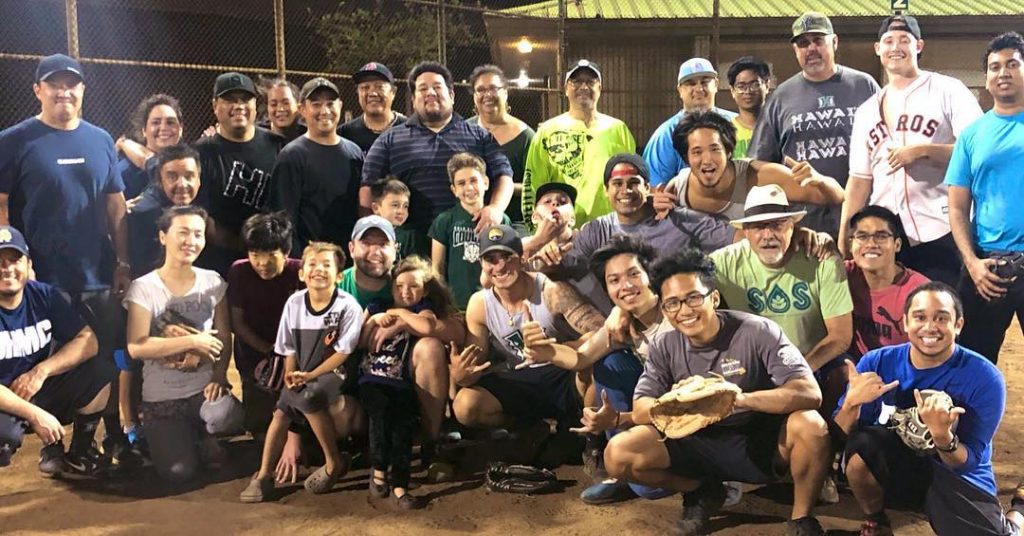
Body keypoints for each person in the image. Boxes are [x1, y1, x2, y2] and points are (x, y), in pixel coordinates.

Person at [603, 248, 831, 536]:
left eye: (693, 298)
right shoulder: (665, 344)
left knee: (811, 424)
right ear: (664, 309)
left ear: (714, 297)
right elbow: (641, 407)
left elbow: (810, 392)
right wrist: (681, 401)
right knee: (618, 453)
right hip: (696, 440)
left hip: (754, 441)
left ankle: (802, 519)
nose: (684, 311)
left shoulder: (758, 331)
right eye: (672, 303)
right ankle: (702, 492)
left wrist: (738, 399)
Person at [0, 52, 131, 464]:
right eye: (54, 84)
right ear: (38, 90)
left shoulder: (100, 139)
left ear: (81, 90)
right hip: (43, 279)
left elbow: (116, 206)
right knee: (45, 364)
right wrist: (22, 268)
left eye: (71, 84)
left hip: (96, 275)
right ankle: (50, 448)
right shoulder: (15, 139)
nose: (63, 91)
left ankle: (96, 442)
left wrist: (123, 261)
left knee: (106, 356)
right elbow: (0, 207)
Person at [835, 282, 1022, 536]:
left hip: (953, 473)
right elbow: (841, 437)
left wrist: (943, 437)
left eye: (941, 318)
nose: (929, 327)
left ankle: (1019, 509)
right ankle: (877, 520)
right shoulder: (876, 362)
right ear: (904, 323)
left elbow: (967, 462)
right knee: (860, 447)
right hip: (900, 465)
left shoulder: (986, 377)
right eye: (920, 317)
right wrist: (851, 403)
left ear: (958, 325)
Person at [518, 235, 674, 504]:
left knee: (650, 489)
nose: (625, 286)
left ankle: (706, 477)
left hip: (687, 410)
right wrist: (546, 350)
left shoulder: (676, 315)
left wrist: (622, 419)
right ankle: (622, 470)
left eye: (633, 275)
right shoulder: (620, 323)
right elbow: (580, 358)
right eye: (614, 280)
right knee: (608, 362)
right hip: (655, 407)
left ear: (651, 275)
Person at [840, 15, 983, 287]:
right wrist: (845, 233)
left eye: (904, 40)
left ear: (919, 45)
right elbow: (859, 180)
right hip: (886, 235)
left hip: (941, 227)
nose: (896, 47)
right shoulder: (867, 110)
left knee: (944, 312)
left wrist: (924, 150)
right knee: (891, 317)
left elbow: (978, 148)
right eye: (889, 41)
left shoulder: (946, 89)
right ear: (877, 49)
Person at [452, 225, 605, 455]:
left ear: (522, 258)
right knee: (465, 405)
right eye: (491, 259)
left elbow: (602, 332)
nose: (500, 266)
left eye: (507, 257)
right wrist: (462, 375)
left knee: (595, 364)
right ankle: (526, 428)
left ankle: (592, 442)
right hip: (520, 378)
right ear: (482, 265)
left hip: (562, 374)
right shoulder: (479, 304)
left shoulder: (550, 290)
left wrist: (556, 349)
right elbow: (476, 360)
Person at [710, 185, 853, 416]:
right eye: (758, 226)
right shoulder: (723, 263)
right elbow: (682, 281)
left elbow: (841, 336)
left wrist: (797, 374)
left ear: (792, 226)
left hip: (813, 359)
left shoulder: (821, 257)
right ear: (745, 231)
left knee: (844, 374)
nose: (768, 235)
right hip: (754, 366)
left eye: (777, 225)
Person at [123, 206, 240, 483]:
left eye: (198, 234)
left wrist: (220, 375)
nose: (191, 241)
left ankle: (204, 434)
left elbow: (224, 337)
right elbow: (136, 346)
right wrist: (193, 340)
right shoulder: (144, 287)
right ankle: (189, 440)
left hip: (202, 390)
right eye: (183, 232)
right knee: (178, 473)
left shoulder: (212, 281)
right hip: (161, 396)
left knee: (226, 416)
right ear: (163, 237)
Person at [240, 242, 363, 502]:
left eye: (327, 265)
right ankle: (263, 475)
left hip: (335, 374)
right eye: (312, 264)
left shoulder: (347, 306)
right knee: (282, 409)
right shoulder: (294, 303)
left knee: (306, 397)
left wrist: (307, 376)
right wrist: (290, 375)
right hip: (302, 374)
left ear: (339, 275)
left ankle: (332, 463)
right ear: (301, 272)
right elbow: (288, 348)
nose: (319, 270)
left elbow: (342, 354)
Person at [749, 12, 880, 236]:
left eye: (818, 40)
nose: (811, 49)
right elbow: (760, 165)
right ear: (795, 50)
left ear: (834, 42)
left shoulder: (863, 86)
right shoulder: (781, 98)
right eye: (803, 43)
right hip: (804, 225)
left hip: (861, 218)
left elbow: (886, 147)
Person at [340, 216, 456, 464]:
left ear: (395, 249)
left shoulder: (407, 281)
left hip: (404, 378)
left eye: (383, 244)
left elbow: (453, 331)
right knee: (340, 420)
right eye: (367, 243)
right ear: (351, 248)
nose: (375, 251)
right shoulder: (337, 285)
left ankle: (430, 441)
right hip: (357, 377)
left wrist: (402, 319)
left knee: (430, 346)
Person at [359, 61, 513, 242]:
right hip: (412, 244)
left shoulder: (480, 136)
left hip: (469, 240)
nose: (430, 93)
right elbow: (368, 187)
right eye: (423, 89)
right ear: (413, 100)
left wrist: (495, 208)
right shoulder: (389, 140)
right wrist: (372, 233)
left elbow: (504, 175)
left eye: (437, 87)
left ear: (452, 95)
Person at [0, 226, 110, 476]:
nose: (7, 268)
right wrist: (34, 414)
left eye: (14, 259)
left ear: (28, 265)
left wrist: (41, 371)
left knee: (100, 370)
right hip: (4, 399)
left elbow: (88, 340)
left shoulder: (43, 295)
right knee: (3, 438)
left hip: (34, 386)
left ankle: (78, 454)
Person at [945, 31, 1024, 364]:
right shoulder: (972, 134)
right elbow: (957, 206)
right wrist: (971, 263)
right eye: (994, 67)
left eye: (1012, 64)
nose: (1002, 72)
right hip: (988, 266)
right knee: (971, 362)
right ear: (987, 78)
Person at [534, 154, 735, 281]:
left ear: (647, 187)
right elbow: (567, 270)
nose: (625, 190)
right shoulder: (597, 230)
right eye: (617, 184)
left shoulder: (678, 219)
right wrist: (548, 263)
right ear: (606, 190)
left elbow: (738, 240)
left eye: (633, 183)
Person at [359, 256, 459, 509]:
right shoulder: (376, 306)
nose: (406, 292)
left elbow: (427, 326)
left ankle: (423, 452)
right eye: (399, 286)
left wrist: (399, 316)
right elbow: (357, 339)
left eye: (413, 286)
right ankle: (379, 469)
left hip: (402, 382)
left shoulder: (421, 309)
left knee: (401, 415)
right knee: (381, 412)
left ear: (425, 289)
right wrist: (375, 319)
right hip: (371, 379)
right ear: (391, 287)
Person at [657, 110, 845, 221]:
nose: (707, 160)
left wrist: (820, 181)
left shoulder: (761, 176)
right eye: (697, 152)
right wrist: (652, 205)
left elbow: (836, 197)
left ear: (729, 151)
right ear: (686, 158)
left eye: (715, 149)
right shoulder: (678, 187)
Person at [522, 59, 636, 228]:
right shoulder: (547, 131)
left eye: (591, 82)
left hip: (611, 229)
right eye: (576, 81)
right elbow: (533, 186)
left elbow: (633, 179)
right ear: (566, 88)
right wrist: (537, 234)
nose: (584, 87)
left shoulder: (618, 129)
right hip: (562, 232)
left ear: (600, 88)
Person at [194, 71, 285, 276]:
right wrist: (246, 247)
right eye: (229, 100)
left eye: (245, 99)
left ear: (255, 105)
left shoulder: (278, 146)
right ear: (215, 105)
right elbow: (202, 216)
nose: (238, 106)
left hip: (271, 259)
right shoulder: (202, 153)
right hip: (220, 263)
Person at [228, 213, 302, 437]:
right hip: (254, 351)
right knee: (257, 424)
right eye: (255, 254)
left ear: (286, 253)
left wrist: (287, 357)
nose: (262, 263)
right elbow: (237, 324)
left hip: (294, 354)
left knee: (293, 418)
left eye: (271, 254)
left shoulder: (300, 272)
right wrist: (269, 352)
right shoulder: (239, 271)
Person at [270, 77, 363, 256]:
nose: (324, 110)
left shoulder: (354, 153)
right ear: (302, 109)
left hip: (347, 260)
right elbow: (283, 221)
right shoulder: (292, 156)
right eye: (316, 104)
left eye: (330, 103)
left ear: (340, 106)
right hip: (311, 263)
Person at [845, 205, 929, 359]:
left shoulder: (922, 293)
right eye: (862, 236)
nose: (871, 244)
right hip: (856, 375)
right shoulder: (842, 275)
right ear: (851, 245)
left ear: (897, 245)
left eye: (881, 236)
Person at [430, 152, 510, 310]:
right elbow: (436, 269)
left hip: (494, 305)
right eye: (461, 183)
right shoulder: (445, 220)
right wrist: (442, 303)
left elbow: (508, 263)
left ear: (486, 183)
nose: (469, 187)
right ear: (454, 190)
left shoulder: (502, 220)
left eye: (474, 180)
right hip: (457, 306)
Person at [644, 57, 738, 186]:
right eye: (691, 83)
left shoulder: (736, 123)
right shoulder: (666, 134)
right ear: (680, 90)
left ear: (716, 84)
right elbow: (654, 187)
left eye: (705, 82)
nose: (699, 89)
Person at [467, 64, 536, 232]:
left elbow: (534, 186)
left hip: (515, 222)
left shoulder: (526, 136)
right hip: (471, 218)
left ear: (505, 92)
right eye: (480, 90)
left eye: (493, 88)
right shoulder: (464, 130)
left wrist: (501, 188)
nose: (487, 95)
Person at [127, 143, 204, 277]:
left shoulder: (208, 201)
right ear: (160, 181)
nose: (182, 185)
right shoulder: (144, 214)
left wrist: (124, 143)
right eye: (172, 177)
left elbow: (147, 159)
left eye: (189, 176)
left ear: (199, 180)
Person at [116, 94, 184, 200]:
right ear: (144, 130)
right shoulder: (124, 172)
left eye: (170, 122)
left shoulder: (189, 167)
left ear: (180, 129)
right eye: (156, 122)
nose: (163, 127)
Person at [339, 62, 407, 153]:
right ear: (358, 93)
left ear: (393, 92)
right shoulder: (345, 135)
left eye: (379, 87)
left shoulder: (411, 131)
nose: (373, 93)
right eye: (365, 87)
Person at [369, 178, 429, 262]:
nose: (401, 211)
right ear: (376, 208)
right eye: (395, 205)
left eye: (405, 206)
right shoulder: (369, 236)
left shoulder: (410, 237)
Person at [726, 57, 771, 159]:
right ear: (732, 90)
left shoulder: (778, 127)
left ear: (767, 85)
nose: (748, 91)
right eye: (741, 87)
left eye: (754, 85)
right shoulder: (726, 132)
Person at [258, 78, 304, 143]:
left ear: (298, 107)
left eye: (286, 103)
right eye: (273, 104)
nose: (280, 109)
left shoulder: (309, 135)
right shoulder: (256, 136)